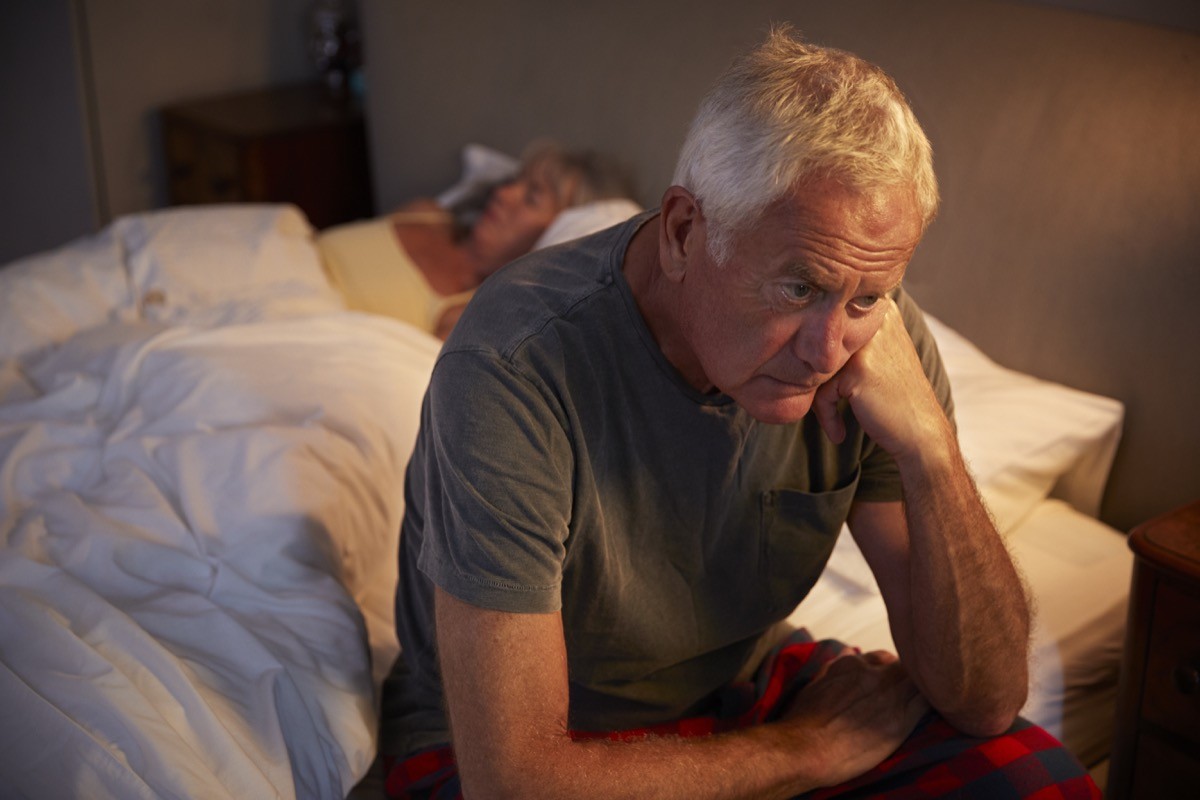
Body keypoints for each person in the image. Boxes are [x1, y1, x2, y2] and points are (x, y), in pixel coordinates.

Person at [380, 27, 1102, 799]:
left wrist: (931, 451)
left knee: (1034, 780)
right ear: (686, 231)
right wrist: (804, 751)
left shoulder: (876, 337)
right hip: (517, 745)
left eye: (866, 298)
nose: (829, 348)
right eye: (798, 289)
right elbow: (513, 780)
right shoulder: (513, 368)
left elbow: (986, 699)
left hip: (739, 688)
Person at [315, 140, 636, 339]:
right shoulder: (425, 213)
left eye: (532, 197)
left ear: (559, 234)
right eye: (514, 181)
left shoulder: (467, 316)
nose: (503, 193)